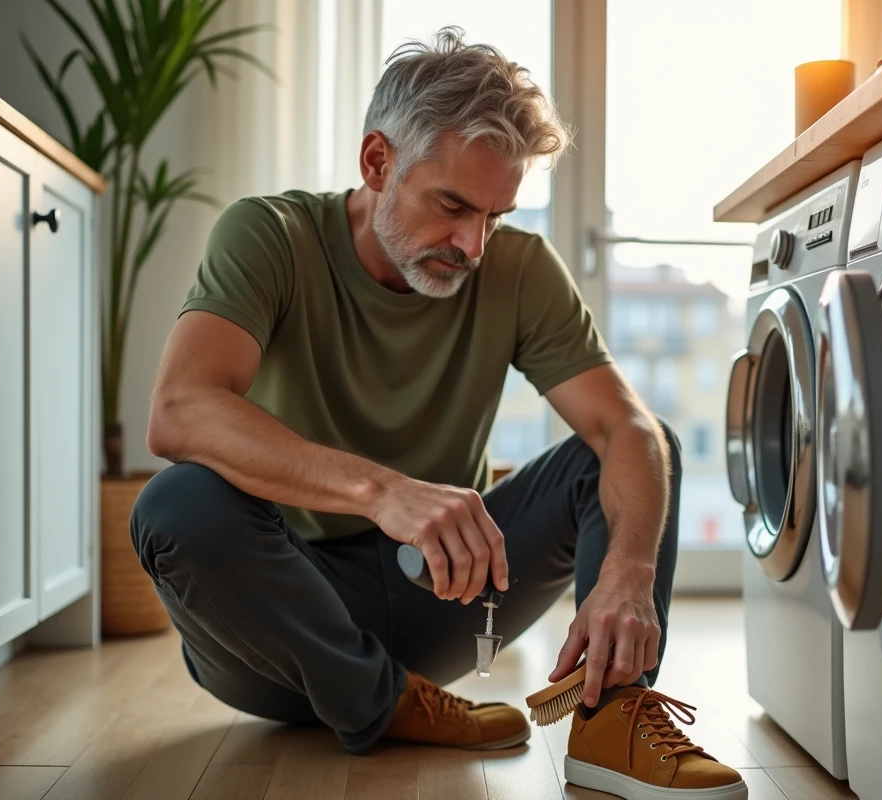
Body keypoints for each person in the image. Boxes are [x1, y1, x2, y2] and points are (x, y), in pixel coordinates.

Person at [130, 26, 746, 799]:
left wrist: (629, 572)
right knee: (176, 504)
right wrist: (384, 492)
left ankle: (610, 719)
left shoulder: (519, 269)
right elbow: (181, 408)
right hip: (281, 626)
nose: (473, 244)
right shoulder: (271, 236)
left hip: (444, 594)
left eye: (496, 216)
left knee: (640, 446)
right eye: (451, 204)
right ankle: (382, 702)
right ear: (376, 161)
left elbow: (623, 427)